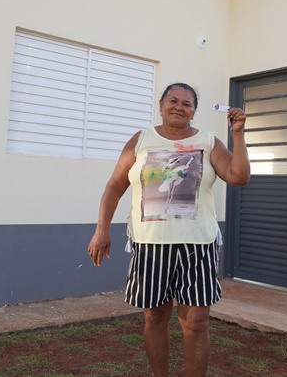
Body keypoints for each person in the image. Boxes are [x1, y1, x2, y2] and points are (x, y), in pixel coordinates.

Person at [88, 82, 250, 377]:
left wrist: (237, 134)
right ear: (161, 105)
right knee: (155, 317)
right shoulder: (141, 139)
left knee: (196, 322)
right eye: (173, 101)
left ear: (193, 112)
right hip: (150, 245)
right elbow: (114, 186)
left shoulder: (208, 141)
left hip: (197, 245)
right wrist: (102, 230)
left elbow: (238, 176)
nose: (179, 107)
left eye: (187, 104)